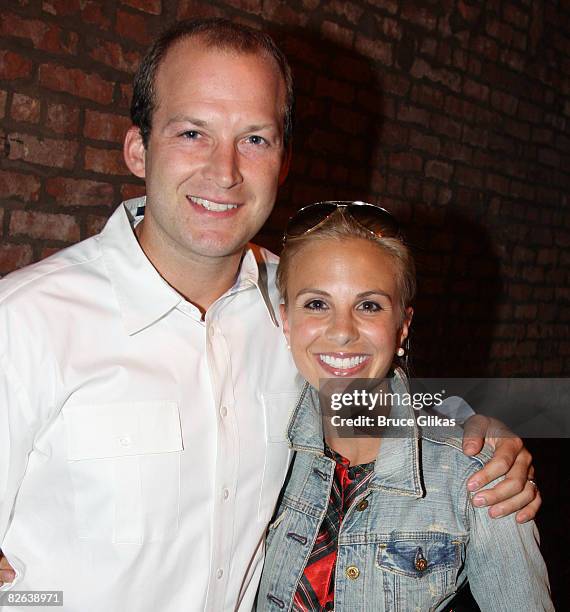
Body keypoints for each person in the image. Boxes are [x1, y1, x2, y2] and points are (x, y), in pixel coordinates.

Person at [0, 18, 539, 612]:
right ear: (137, 148)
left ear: (283, 163)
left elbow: (373, 396)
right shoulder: (24, 323)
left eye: (254, 138)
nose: (224, 171)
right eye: (191, 133)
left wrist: (472, 425)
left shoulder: (301, 304)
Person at [256, 201, 553, 611]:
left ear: (403, 326)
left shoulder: (477, 476)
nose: (342, 332)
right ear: (286, 321)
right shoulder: (257, 446)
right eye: (317, 304)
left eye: (369, 305)